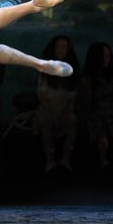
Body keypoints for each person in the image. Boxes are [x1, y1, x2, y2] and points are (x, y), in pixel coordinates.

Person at [81, 42, 113, 169]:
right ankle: (106, 159)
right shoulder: (88, 77)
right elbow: (86, 98)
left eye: (108, 55)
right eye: (104, 56)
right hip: (100, 109)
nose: (107, 58)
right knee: (102, 131)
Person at [33, 35, 80, 173]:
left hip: (65, 109)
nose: (60, 49)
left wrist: (65, 111)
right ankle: (50, 159)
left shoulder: (73, 70)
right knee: (44, 124)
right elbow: (41, 93)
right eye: (58, 46)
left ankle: (66, 158)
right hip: (47, 108)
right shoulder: (44, 68)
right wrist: (51, 112)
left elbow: (74, 95)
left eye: (64, 47)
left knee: (72, 122)